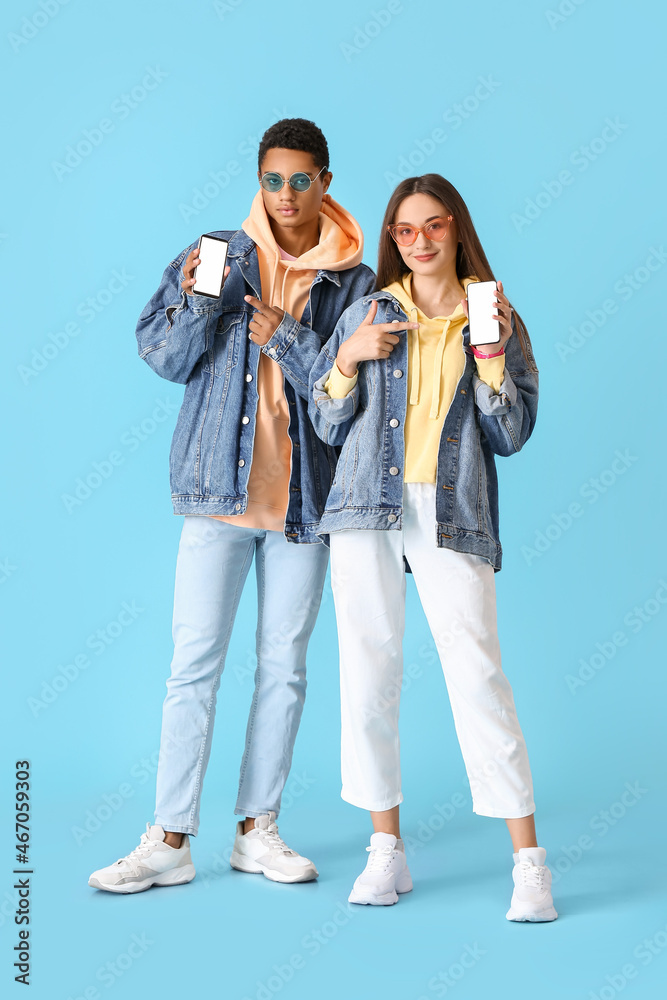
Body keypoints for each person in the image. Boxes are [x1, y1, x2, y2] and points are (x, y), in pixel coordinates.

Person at [88, 118, 375, 894]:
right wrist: (197, 303)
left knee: (283, 668)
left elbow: (345, 404)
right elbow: (166, 356)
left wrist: (284, 338)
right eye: (272, 180)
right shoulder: (219, 252)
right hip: (217, 494)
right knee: (193, 666)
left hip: (303, 506)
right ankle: (171, 839)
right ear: (260, 182)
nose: (286, 195)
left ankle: (258, 831)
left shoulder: (354, 280)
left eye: (301, 179)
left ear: (325, 181)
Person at [308, 173, 557, 921]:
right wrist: (346, 358)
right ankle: (385, 852)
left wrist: (489, 356)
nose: (418, 242)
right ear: (392, 239)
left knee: (477, 673)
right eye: (404, 231)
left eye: (433, 226)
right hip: (364, 507)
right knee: (368, 673)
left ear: (457, 229)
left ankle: (528, 864)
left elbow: (508, 435)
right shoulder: (368, 310)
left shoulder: (497, 316)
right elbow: (326, 426)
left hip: (452, 507)